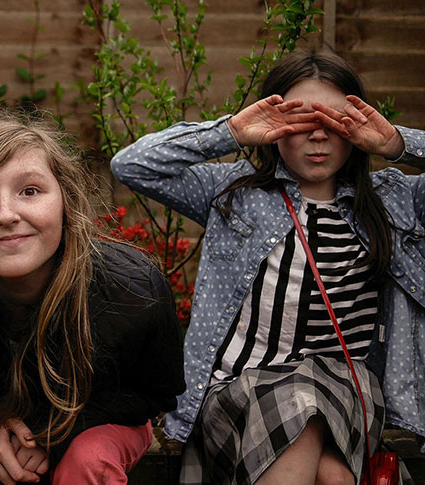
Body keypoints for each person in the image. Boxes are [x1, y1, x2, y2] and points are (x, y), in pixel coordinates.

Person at [111, 48, 425, 484]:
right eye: (302, 121)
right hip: (241, 391)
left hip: (347, 393)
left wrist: (396, 143)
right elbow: (131, 165)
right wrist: (232, 131)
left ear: (357, 128)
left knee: (312, 417)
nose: (318, 136)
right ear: (275, 128)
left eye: (333, 122)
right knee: (320, 451)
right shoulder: (235, 193)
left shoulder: (394, 201)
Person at [0, 115, 185, 485]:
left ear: (65, 200)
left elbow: (156, 393)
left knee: (89, 460)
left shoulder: (133, 290)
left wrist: (49, 437)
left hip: (94, 421)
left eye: (30, 191)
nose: (7, 215)